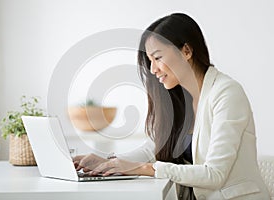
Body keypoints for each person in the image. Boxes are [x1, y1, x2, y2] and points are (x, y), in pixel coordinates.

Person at [73, 13, 270, 200]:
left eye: (157, 58)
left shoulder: (226, 93)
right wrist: (107, 161)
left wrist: (145, 168)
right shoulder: (179, 99)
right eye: (150, 61)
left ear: (186, 51)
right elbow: (153, 149)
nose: (152, 69)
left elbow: (214, 173)